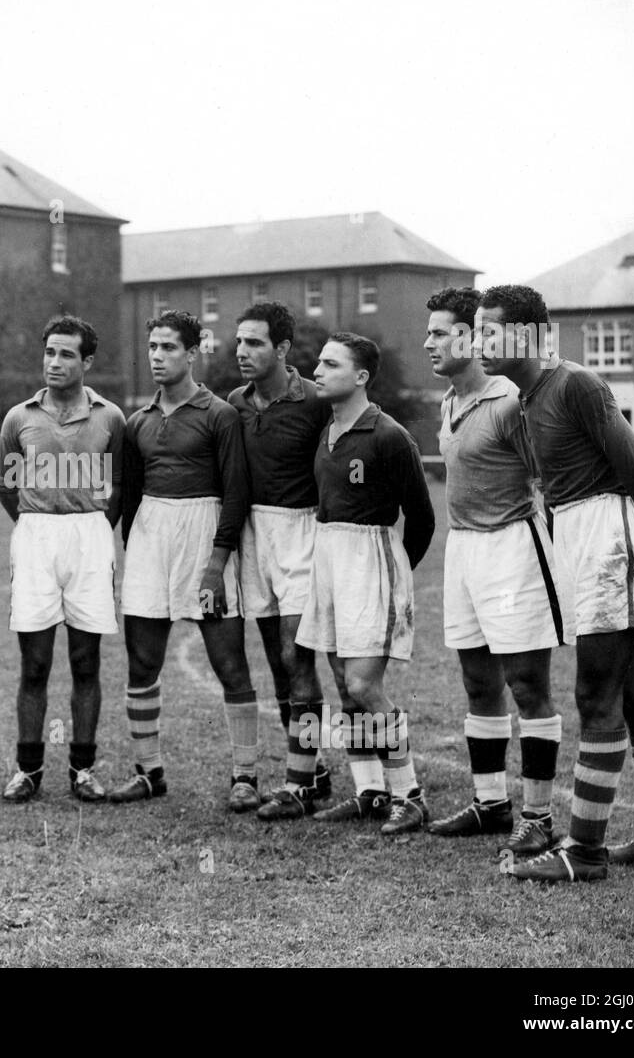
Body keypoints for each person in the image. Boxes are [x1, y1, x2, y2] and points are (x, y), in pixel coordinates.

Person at [475, 285, 634, 882]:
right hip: (584, 537)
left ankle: (584, 851)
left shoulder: (575, 383)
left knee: (595, 696)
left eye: (489, 330)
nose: (479, 342)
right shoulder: (527, 400)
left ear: (527, 334)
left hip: (613, 535)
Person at [422, 287, 573, 854]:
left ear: (470, 335)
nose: (429, 342)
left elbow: (553, 479)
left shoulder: (512, 400)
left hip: (514, 549)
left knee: (527, 686)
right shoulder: (449, 401)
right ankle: (490, 804)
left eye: (441, 332)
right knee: (477, 683)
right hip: (462, 551)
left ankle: (536, 817)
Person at [111, 309, 259, 810]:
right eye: (152, 347)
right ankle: (149, 772)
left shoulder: (219, 414)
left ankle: (245, 776)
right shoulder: (137, 423)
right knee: (142, 663)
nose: (157, 356)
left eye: (169, 347)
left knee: (228, 663)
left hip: (204, 536)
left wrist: (217, 565)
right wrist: (134, 552)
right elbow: (129, 498)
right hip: (152, 538)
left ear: (192, 353)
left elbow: (236, 494)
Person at [297, 333, 436, 835]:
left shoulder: (389, 435)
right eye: (318, 362)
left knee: (363, 685)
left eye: (330, 364)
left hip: (371, 560)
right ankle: (370, 791)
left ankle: (410, 794)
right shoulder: (327, 429)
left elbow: (420, 520)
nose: (317, 369)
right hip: (329, 555)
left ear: (360, 377)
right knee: (342, 685)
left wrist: (392, 580)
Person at [0, 315, 124, 803]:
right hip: (35, 537)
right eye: (50, 352)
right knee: (34, 664)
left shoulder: (109, 417)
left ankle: (83, 768)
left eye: (67, 354)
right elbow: (8, 486)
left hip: (90, 536)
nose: (55, 362)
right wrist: (37, 519)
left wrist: (93, 525)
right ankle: (28, 770)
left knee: (86, 660)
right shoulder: (19, 417)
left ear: (87, 361)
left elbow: (119, 486)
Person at [227, 302, 333, 820]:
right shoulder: (235, 403)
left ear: (284, 349)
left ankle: (297, 784)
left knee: (299, 658)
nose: (243, 352)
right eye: (239, 342)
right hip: (255, 533)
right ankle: (311, 767)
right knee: (277, 662)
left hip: (302, 530)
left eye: (255, 343)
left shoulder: (316, 401)